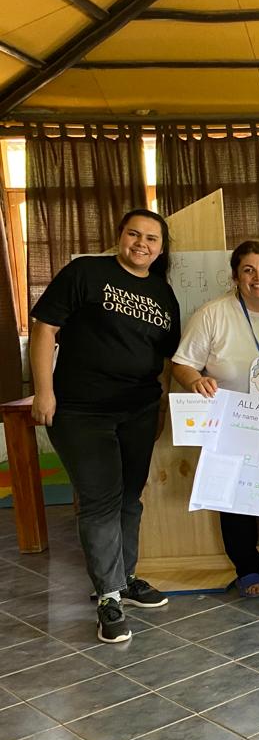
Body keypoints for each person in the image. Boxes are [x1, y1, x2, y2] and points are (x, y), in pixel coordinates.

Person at [29, 209, 180, 643]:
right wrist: (43, 392)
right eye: (134, 234)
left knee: (130, 498)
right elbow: (44, 329)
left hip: (138, 410)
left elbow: (166, 358)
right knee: (100, 501)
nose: (142, 243)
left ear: (161, 249)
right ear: (120, 236)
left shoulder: (162, 292)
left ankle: (125, 579)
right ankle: (108, 597)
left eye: (151, 238)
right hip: (81, 411)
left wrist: (161, 406)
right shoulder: (86, 273)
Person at [171, 240, 259, 597]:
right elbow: (182, 364)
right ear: (235, 277)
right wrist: (195, 380)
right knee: (233, 498)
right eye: (248, 270)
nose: (257, 277)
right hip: (231, 423)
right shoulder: (212, 314)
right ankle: (247, 568)